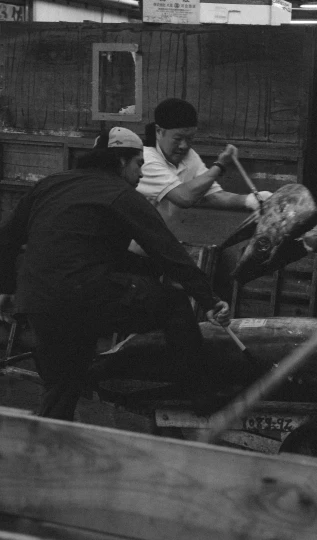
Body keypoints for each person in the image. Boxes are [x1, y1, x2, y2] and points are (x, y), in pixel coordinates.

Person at [0, 127, 232, 420]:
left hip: (38, 301)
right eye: (138, 164)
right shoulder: (120, 193)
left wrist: (6, 289)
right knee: (173, 304)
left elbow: (7, 239)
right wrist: (209, 300)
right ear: (120, 161)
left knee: (62, 387)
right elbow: (168, 251)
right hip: (85, 294)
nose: (141, 174)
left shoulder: (50, 184)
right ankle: (201, 394)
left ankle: (48, 453)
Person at [138, 97, 271, 220]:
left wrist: (251, 200)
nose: (184, 146)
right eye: (177, 139)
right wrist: (219, 165)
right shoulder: (145, 159)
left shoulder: (190, 156)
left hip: (154, 239)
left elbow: (212, 195)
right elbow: (183, 197)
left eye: (189, 138)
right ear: (159, 131)